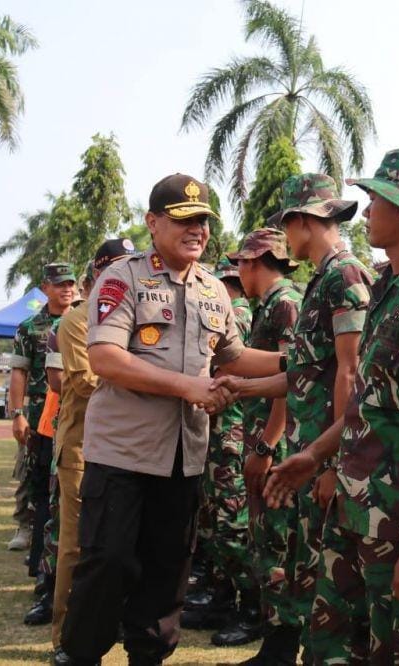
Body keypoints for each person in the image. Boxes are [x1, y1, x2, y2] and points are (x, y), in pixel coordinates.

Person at [59, 173, 285, 664]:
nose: (197, 230)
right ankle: (80, 654)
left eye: (203, 220)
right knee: (108, 563)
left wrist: (296, 360)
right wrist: (189, 387)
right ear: (153, 222)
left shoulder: (213, 290)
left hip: (184, 458)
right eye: (184, 219)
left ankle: (148, 656)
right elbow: (105, 358)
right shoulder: (123, 277)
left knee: (168, 570)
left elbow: (234, 356)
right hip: (122, 453)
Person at [265, 148, 399, 663]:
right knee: (332, 647)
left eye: (375, 199)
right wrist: (315, 456)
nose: (366, 211)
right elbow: (366, 404)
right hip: (356, 514)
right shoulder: (387, 291)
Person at [218, 173, 373, 659]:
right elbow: (305, 375)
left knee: (331, 579)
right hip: (311, 450)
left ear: (303, 221)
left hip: (327, 455)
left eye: (287, 225)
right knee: (305, 567)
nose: (285, 238)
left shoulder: (345, 276)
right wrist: (240, 387)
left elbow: (351, 374)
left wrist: (329, 462)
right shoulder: (323, 280)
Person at [47, 239, 135, 665]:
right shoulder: (77, 321)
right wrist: (151, 380)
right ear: (98, 272)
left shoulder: (130, 312)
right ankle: (65, 637)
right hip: (82, 447)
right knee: (77, 547)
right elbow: (83, 381)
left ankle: (101, 628)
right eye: (118, 266)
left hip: (125, 447)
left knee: (114, 547)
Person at [226, 227, 304, 661]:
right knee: (266, 541)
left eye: (241, 262)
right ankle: (274, 643)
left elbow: (293, 383)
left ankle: (281, 647)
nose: (239, 270)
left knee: (277, 544)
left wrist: (266, 447)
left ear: (255, 262)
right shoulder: (271, 304)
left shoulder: (286, 303)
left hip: (279, 446)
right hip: (264, 439)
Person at [180, 258, 256, 644]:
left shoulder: (236, 314)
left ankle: (253, 607)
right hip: (215, 431)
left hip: (230, 433)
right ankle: (223, 598)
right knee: (212, 524)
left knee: (230, 525)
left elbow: (226, 369)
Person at [7, 263, 76, 563]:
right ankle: (27, 527)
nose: (67, 289)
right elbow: (18, 372)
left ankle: (50, 537)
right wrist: (17, 413)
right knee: (31, 470)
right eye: (60, 284)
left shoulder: (85, 321)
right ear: (45, 287)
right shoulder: (30, 327)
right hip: (38, 411)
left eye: (70, 284)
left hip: (72, 410)